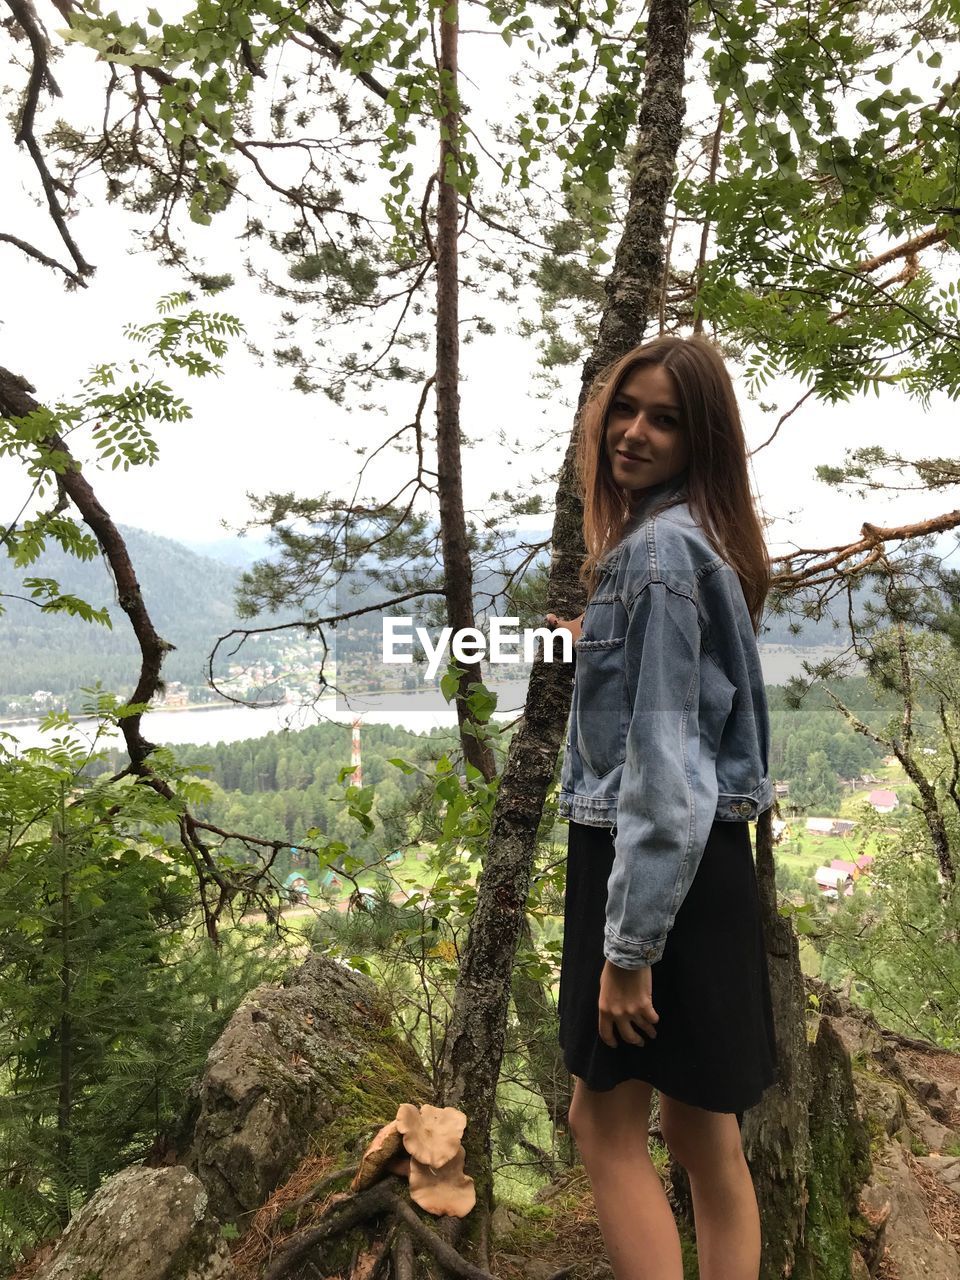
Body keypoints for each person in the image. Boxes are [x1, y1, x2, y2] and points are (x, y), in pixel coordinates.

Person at [546, 334, 779, 1280]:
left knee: (602, 1125)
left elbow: (665, 767)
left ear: (701, 438)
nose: (633, 433)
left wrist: (629, 954)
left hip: (648, 867)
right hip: (712, 862)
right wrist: (595, 640)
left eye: (666, 419)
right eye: (627, 410)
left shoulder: (654, 557)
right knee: (700, 1134)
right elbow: (689, 695)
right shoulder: (697, 540)